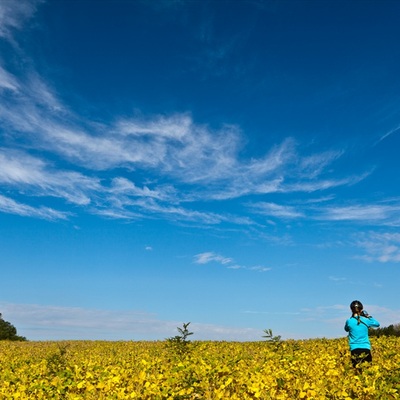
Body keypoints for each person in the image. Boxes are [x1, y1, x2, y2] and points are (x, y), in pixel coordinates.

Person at [344, 300, 380, 369]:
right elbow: (377, 324)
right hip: (366, 348)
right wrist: (368, 316)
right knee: (368, 371)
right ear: (361, 310)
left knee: (356, 371)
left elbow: (346, 329)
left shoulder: (349, 321)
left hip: (354, 349)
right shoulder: (366, 320)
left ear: (351, 310)